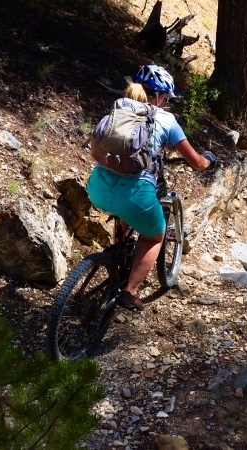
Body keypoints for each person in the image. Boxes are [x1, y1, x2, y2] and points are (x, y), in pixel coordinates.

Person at [86, 64, 216, 311]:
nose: (167, 102)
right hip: (135, 193)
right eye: (167, 97)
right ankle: (130, 291)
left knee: (127, 210)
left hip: (98, 187)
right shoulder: (167, 119)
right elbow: (197, 163)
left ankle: (118, 252)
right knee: (155, 235)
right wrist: (208, 159)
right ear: (161, 95)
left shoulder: (121, 108)